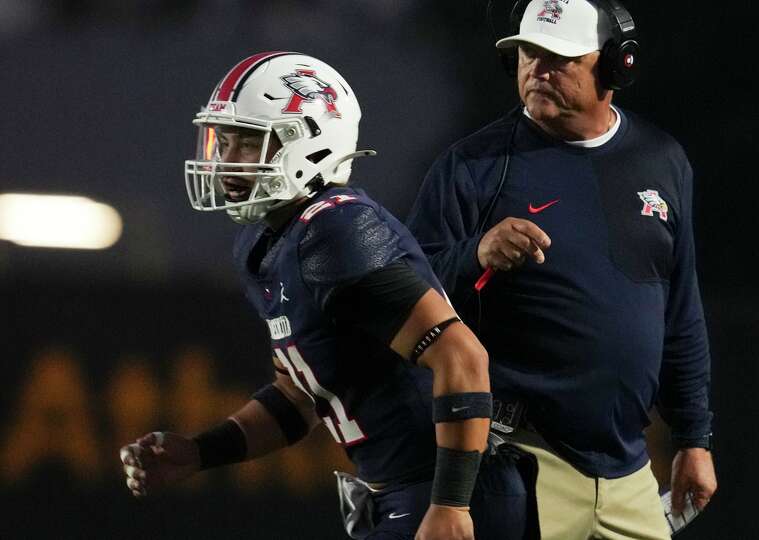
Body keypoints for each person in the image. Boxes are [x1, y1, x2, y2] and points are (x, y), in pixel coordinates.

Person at [118, 52, 523, 540]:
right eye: (222, 141)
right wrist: (201, 452)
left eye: (246, 142)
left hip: (447, 491)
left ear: (309, 145)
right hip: (400, 494)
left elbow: (462, 357)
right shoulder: (267, 240)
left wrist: (453, 504)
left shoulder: (336, 230)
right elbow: (299, 397)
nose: (225, 160)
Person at [405, 1, 717, 539]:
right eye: (528, 53)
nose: (536, 70)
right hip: (516, 461)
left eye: (558, 58)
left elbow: (680, 312)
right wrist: (474, 254)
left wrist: (694, 438)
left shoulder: (662, 160)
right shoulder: (471, 167)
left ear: (616, 65)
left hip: (629, 468)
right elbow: (401, 294)